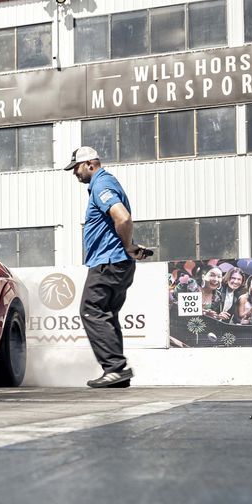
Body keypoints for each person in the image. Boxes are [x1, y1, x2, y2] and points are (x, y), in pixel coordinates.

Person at [64, 146, 150, 388]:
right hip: (116, 262)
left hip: (107, 263)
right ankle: (117, 373)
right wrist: (128, 246)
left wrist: (127, 245)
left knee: (91, 309)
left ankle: (114, 368)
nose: (75, 174)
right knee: (107, 314)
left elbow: (122, 218)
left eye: (76, 168)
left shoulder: (102, 185)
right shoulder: (105, 184)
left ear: (90, 164)